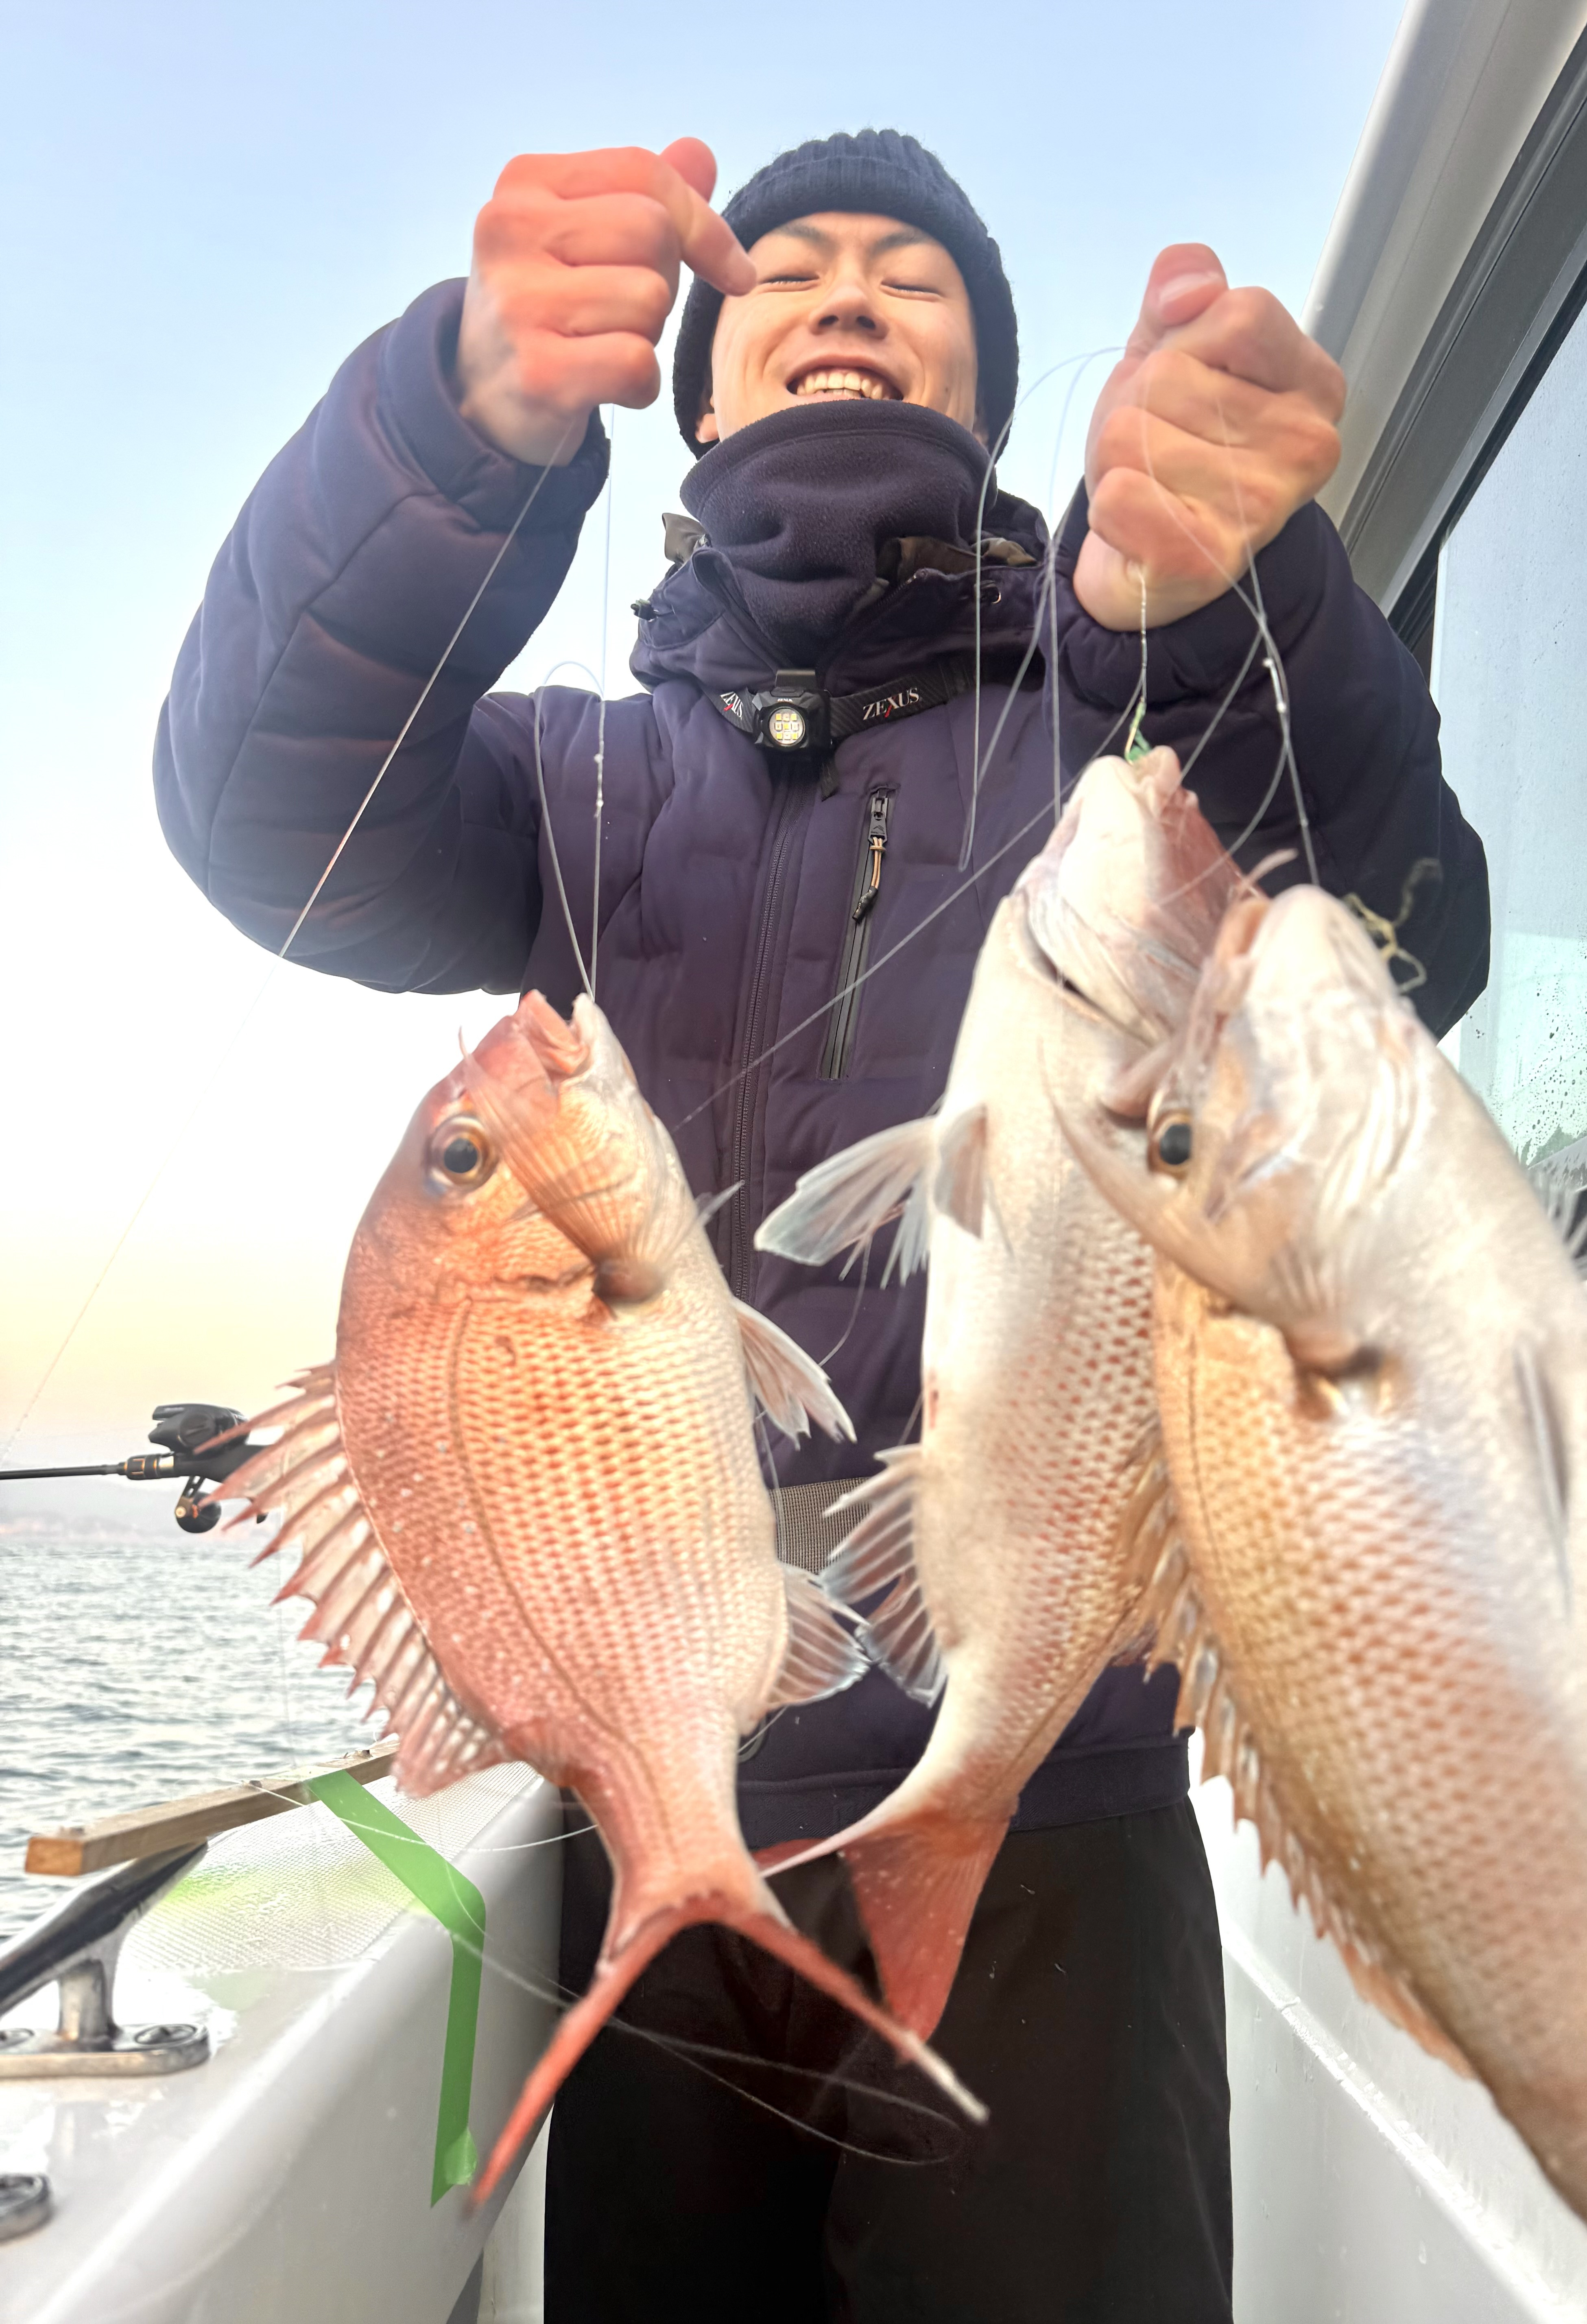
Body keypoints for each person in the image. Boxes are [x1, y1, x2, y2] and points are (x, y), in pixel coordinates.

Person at [156, 129, 1488, 2322]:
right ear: (692, 393)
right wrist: (448, 429)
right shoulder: (574, 783)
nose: (848, 290)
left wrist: (1235, 603)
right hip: (663, 1772)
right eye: (779, 271)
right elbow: (259, 812)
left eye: (913, 275)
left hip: (1056, 1782)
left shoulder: (1120, 739)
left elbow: (1397, 943)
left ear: (991, 396)